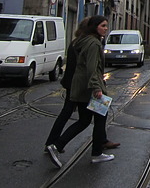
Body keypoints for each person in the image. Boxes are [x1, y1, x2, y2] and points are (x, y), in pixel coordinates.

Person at [47, 15, 114, 167]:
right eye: (103, 25)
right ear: (95, 26)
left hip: (83, 87)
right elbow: (91, 68)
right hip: (91, 88)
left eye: (106, 25)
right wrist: (97, 88)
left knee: (85, 120)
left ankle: (57, 145)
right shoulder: (94, 44)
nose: (106, 28)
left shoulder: (84, 41)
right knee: (100, 118)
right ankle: (95, 153)